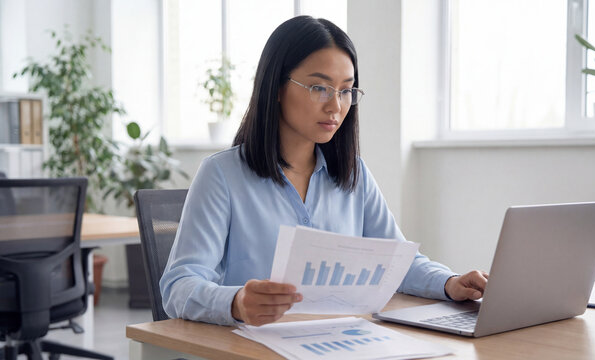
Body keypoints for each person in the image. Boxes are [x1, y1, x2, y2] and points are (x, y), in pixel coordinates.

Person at [160, 15, 488, 327]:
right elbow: (178, 286)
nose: (335, 106)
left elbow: (397, 262)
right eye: (319, 88)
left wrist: (449, 283)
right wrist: (236, 303)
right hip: (251, 348)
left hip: (339, 343)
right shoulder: (222, 175)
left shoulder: (353, 174)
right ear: (276, 87)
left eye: (346, 90)